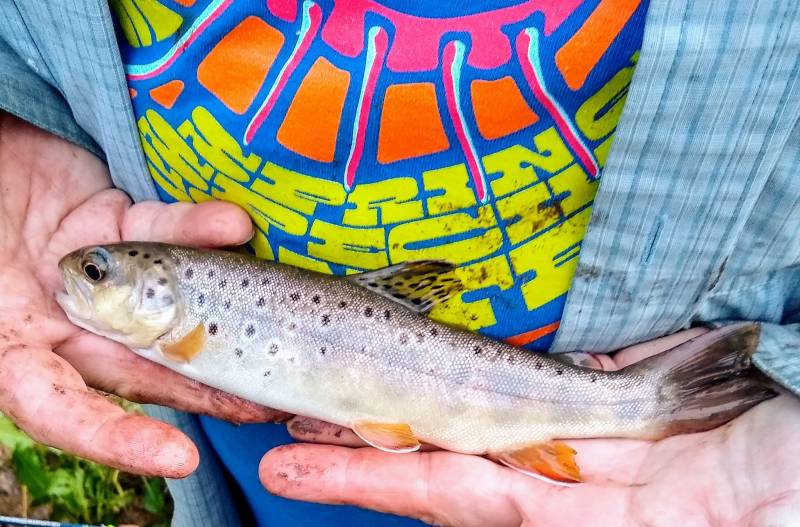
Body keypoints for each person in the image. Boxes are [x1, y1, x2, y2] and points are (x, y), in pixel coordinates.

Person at [0, 1, 798, 526]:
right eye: (99, 269)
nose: (84, 271)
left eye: (99, 270)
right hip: (256, 457)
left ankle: (640, 400)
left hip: (630, 467)